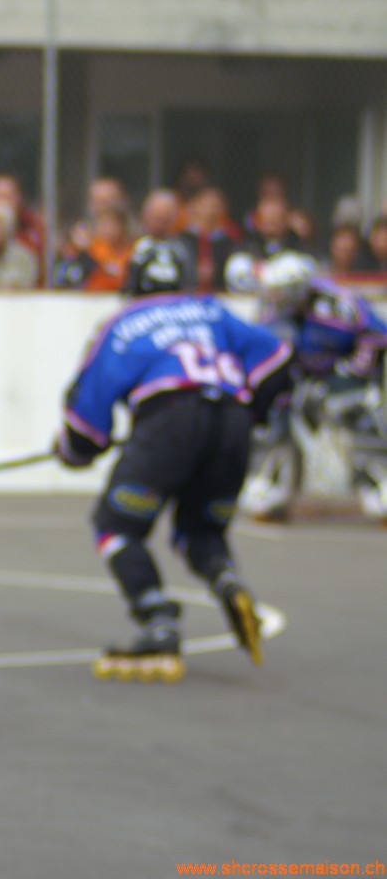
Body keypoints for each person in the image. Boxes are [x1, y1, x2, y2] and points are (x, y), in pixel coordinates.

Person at [55, 240, 294, 680]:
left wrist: (74, 449)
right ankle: (227, 580)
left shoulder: (122, 322)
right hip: (232, 422)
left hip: (169, 422)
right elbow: (277, 359)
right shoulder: (210, 310)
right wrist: (253, 414)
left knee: (115, 527)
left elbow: (87, 417)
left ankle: (158, 620)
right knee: (200, 530)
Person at [238, 252, 387, 524]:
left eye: (280, 291)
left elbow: (377, 336)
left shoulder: (340, 304)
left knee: (353, 415)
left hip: (342, 374)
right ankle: (272, 487)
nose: (273, 296)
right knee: (275, 416)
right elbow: (262, 348)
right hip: (298, 376)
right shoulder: (269, 309)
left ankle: (380, 485)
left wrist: (349, 372)